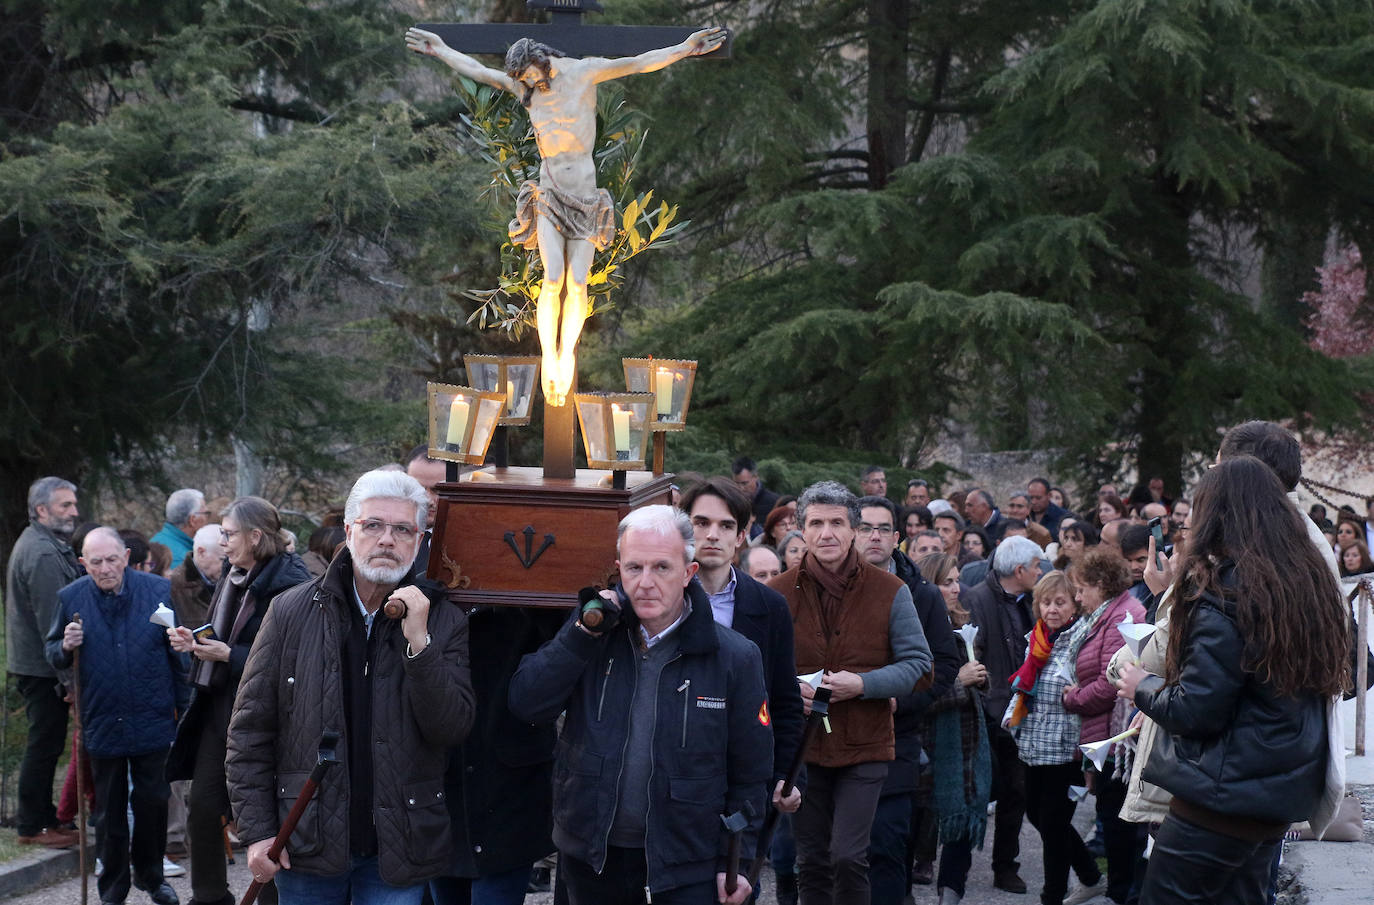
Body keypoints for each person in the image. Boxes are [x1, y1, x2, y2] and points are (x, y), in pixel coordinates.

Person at [405, 26, 726, 405]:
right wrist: (440, 49)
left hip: (586, 197)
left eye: (529, 76)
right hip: (550, 195)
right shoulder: (525, 87)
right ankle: (551, 357)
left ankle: (567, 352)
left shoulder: (585, 72)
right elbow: (480, 72)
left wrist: (684, 49)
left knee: (577, 282)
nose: (527, 86)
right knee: (552, 278)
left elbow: (638, 63)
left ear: (541, 62)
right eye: (521, 81)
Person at [225, 470, 475, 904]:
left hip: (399, 845)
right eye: (373, 525)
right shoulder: (290, 611)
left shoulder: (444, 620)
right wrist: (258, 832)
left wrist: (420, 644)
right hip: (304, 840)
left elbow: (451, 728)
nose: (386, 540)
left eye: (402, 529)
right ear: (348, 530)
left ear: (419, 539)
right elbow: (250, 731)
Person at [1115, 456, 1351, 903]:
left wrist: (1140, 686)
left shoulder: (1225, 590)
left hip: (1220, 801)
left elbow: (1197, 709)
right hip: (1272, 796)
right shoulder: (1303, 581)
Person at [508, 505, 771, 905]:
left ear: (688, 573)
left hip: (688, 866)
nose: (645, 583)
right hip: (591, 858)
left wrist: (734, 862)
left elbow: (751, 773)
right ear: (618, 570)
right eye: (634, 568)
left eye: (661, 568)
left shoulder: (735, 657)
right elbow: (527, 703)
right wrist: (582, 634)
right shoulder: (591, 635)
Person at [767, 482, 932, 905]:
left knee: (847, 856)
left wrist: (862, 684)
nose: (827, 533)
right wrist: (789, 689)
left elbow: (920, 666)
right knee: (813, 860)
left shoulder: (891, 591)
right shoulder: (775, 595)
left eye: (837, 523)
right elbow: (754, 669)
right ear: (801, 530)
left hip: (866, 744)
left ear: (854, 529)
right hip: (802, 748)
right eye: (816, 523)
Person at [165, 497, 312, 905]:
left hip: (269, 716)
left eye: (228, 534)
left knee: (266, 818)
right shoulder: (234, 575)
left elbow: (294, 659)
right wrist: (195, 640)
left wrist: (229, 655)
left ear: (256, 536)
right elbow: (224, 632)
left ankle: (270, 899)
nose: (221, 542)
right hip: (220, 707)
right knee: (204, 806)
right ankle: (209, 897)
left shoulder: (293, 582)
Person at [46, 527, 189, 905]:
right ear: (83, 564)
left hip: (152, 712)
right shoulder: (71, 598)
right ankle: (112, 888)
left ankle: (152, 876)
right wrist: (65, 644)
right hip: (103, 717)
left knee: (153, 802)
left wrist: (186, 705)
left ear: (126, 557)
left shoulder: (156, 590)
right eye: (96, 562)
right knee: (108, 811)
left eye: (112, 560)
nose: (106, 568)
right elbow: (53, 652)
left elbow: (177, 652)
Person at [681, 477, 805, 903]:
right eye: (700, 522)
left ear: (741, 535)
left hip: (742, 780)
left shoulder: (769, 607)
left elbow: (785, 701)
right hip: (674, 778)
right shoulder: (661, 597)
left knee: (734, 889)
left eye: (725, 525)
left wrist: (787, 776)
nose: (711, 534)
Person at [855, 496, 960, 905]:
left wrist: (903, 701)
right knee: (839, 853)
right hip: (835, 736)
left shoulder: (922, 595)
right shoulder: (829, 589)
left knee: (887, 847)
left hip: (897, 740)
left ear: (897, 538)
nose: (874, 537)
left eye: (883, 529)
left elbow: (944, 664)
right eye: (865, 527)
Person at [1011, 571, 1104, 905]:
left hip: (1065, 750)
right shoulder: (1037, 640)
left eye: (1059, 602)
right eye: (1045, 602)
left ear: (1073, 606)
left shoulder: (1079, 641)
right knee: (1038, 816)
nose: (1051, 609)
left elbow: (1086, 692)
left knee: (1052, 823)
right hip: (1034, 745)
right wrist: (1013, 715)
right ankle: (1091, 875)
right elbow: (1024, 686)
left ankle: (1052, 895)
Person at [1061, 549, 1144, 905]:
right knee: (1113, 821)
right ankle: (1118, 890)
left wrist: (1072, 698)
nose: (1077, 598)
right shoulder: (1107, 614)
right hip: (1108, 736)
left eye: (1081, 589)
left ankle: (1121, 894)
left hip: (1118, 739)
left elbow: (1111, 683)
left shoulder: (1122, 616)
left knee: (1120, 827)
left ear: (1100, 584)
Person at [963, 535, 1044, 894]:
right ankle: (953, 864)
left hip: (1020, 713)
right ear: (1020, 569)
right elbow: (971, 655)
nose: (1041, 572)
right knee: (976, 791)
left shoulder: (1030, 601)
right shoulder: (976, 599)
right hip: (988, 712)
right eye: (1038, 566)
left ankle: (1005, 865)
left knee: (1016, 792)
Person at [6, 476, 82, 848]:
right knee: (44, 743)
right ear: (41, 510)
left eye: (73, 504)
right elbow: (54, 623)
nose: (74, 512)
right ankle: (33, 826)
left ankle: (44, 817)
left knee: (48, 743)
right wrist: (68, 682)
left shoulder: (48, 545)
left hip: (40, 665)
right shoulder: (42, 553)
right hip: (43, 667)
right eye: (65, 505)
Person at [912, 552, 989, 905]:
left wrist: (979, 680)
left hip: (966, 747)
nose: (957, 588)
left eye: (958, 580)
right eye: (947, 582)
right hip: (928, 749)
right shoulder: (915, 632)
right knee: (914, 827)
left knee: (963, 817)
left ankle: (950, 894)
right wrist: (959, 682)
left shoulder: (961, 628)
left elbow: (973, 687)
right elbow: (916, 698)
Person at [169, 523, 227, 632]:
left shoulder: (234, 581)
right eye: (223, 559)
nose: (229, 566)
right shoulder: (174, 587)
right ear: (201, 553)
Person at [151, 489, 213, 571]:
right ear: (193, 520)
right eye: (206, 514)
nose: (207, 519)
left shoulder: (155, 541)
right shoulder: (183, 562)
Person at [1027, 478, 1069, 542]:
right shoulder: (1024, 515)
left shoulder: (1064, 517)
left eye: (1038, 498)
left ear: (1049, 496)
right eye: (1031, 498)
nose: (1034, 502)